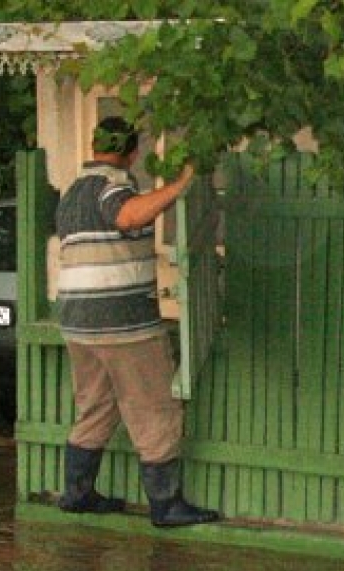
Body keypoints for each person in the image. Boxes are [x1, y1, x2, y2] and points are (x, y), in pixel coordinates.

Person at [55, 116, 220, 527]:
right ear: (132, 153)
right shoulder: (115, 184)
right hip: (121, 324)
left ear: (93, 148)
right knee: (154, 407)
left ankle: (76, 494)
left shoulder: (72, 192)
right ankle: (166, 505)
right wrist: (180, 185)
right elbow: (126, 217)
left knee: (95, 406)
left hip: (78, 323)